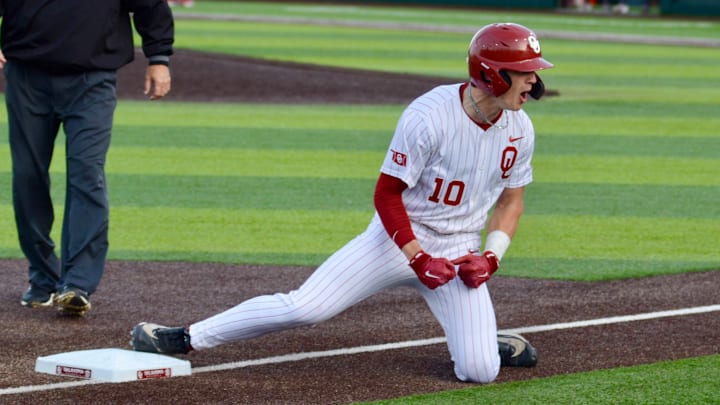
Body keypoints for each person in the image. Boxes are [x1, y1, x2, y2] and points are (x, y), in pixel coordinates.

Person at [131, 22, 553, 383]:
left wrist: (491, 258)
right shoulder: (429, 116)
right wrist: (418, 258)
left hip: (458, 250)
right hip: (396, 242)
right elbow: (386, 194)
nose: (534, 81)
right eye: (524, 72)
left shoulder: (521, 129)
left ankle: (482, 339)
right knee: (306, 307)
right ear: (490, 75)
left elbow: (511, 200)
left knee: (481, 370)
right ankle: (184, 336)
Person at [0, 0, 174, 316]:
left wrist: (158, 57)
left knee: (87, 175)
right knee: (28, 178)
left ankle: (76, 285)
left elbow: (150, 4)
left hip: (93, 80)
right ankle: (43, 276)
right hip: (26, 78)